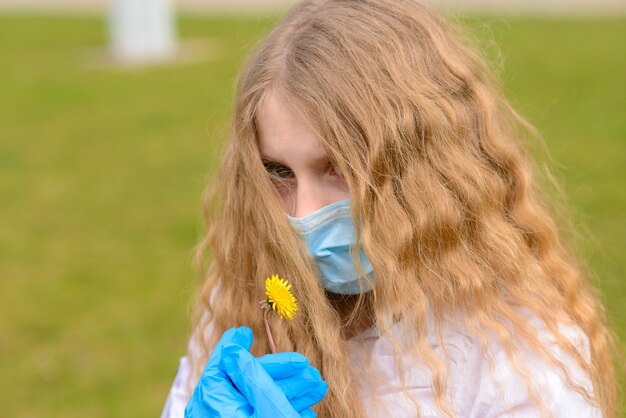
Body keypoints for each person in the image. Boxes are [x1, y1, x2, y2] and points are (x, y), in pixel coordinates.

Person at [160, 0, 620, 417]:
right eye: (279, 173)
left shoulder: (514, 354)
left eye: (337, 168)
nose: (302, 213)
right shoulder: (245, 298)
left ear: (423, 173)